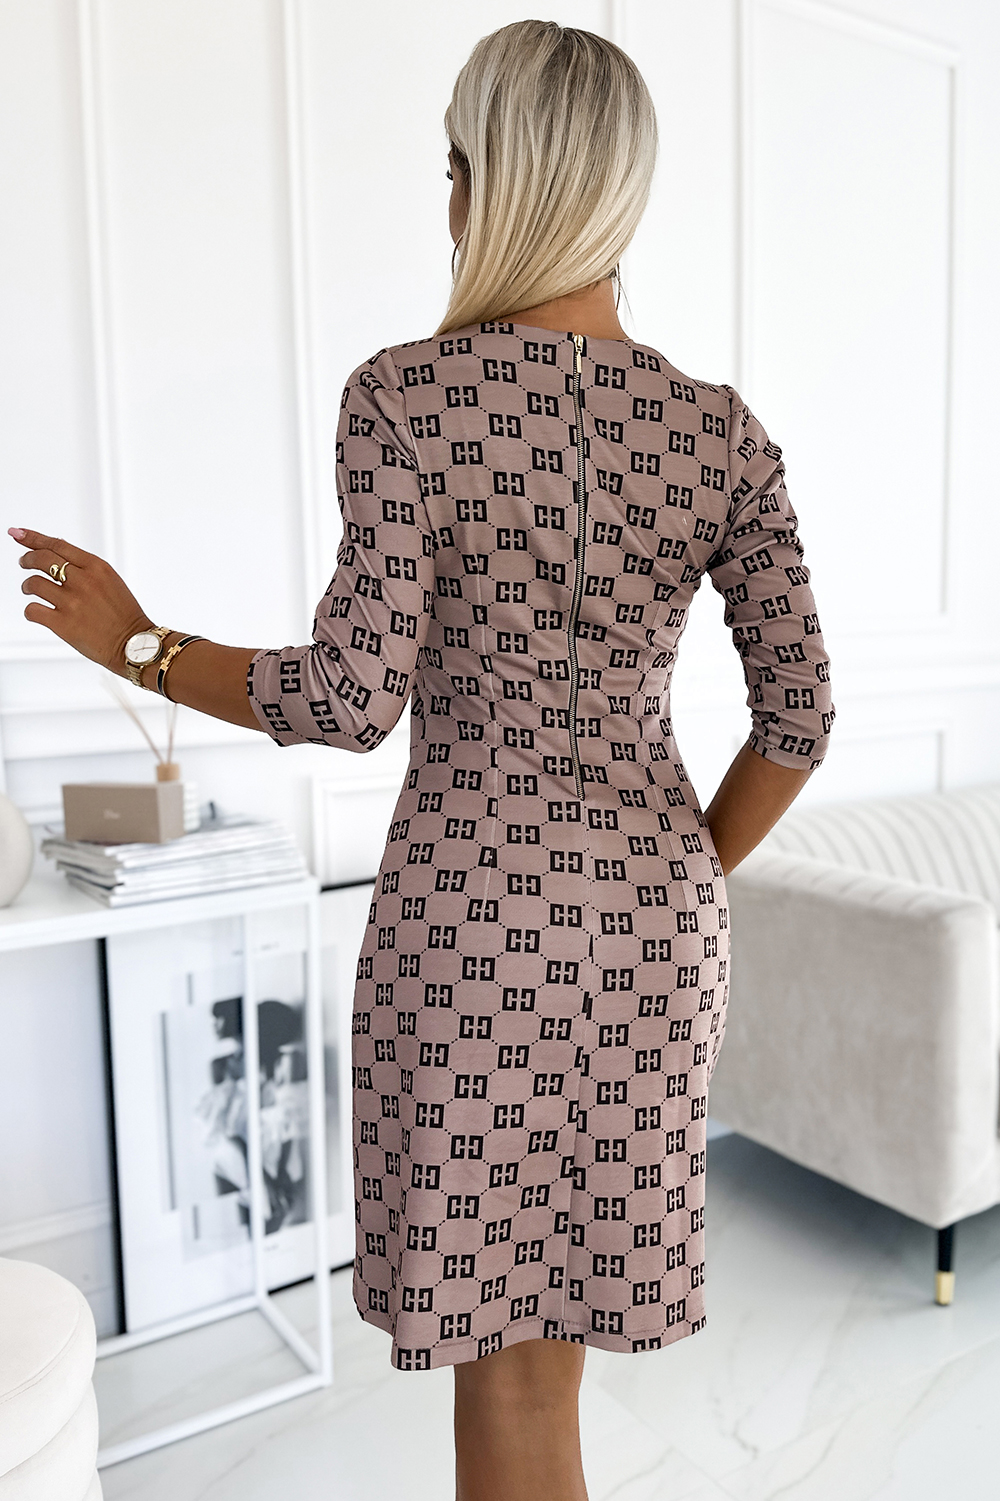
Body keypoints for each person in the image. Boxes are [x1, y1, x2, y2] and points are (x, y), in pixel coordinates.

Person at [8, 20, 833, 1501]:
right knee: (552, 1372)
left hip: (473, 933)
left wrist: (138, 644)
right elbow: (802, 720)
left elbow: (347, 698)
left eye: (453, 167)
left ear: (487, 180)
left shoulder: (410, 397)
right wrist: (679, 874)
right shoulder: (724, 435)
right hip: (654, 935)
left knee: (501, 1386)